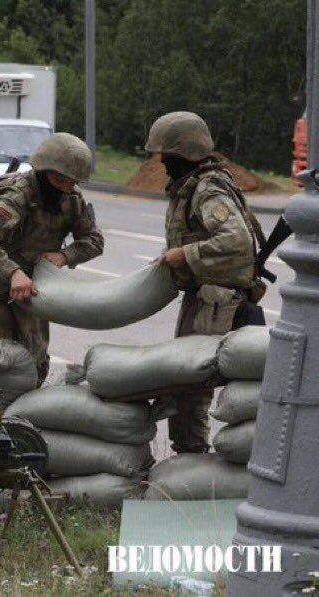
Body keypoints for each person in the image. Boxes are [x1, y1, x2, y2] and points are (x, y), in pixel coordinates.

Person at [146, 111, 263, 454]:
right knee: (186, 382)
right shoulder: (195, 185)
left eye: (168, 157)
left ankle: (192, 454)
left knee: (192, 385)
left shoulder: (208, 189)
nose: (163, 164)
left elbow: (236, 241)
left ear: (185, 154)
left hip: (216, 303)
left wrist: (185, 254)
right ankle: (190, 455)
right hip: (205, 297)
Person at [0, 132, 104, 385]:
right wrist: (13, 273)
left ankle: (21, 418)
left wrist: (65, 255)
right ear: (44, 172)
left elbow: (94, 242)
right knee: (3, 361)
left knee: (36, 361)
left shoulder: (72, 199)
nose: (67, 187)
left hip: (33, 289)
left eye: (73, 181)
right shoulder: (16, 196)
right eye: (60, 180)